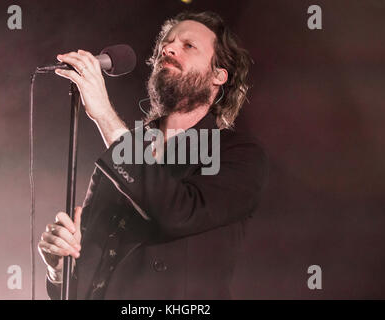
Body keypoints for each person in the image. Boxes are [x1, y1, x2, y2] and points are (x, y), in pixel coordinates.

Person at [38, 11, 268, 300]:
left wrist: (104, 114)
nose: (168, 49)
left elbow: (179, 212)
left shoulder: (237, 154)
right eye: (166, 44)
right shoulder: (122, 154)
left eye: (188, 46)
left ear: (219, 75)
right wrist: (58, 269)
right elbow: (88, 274)